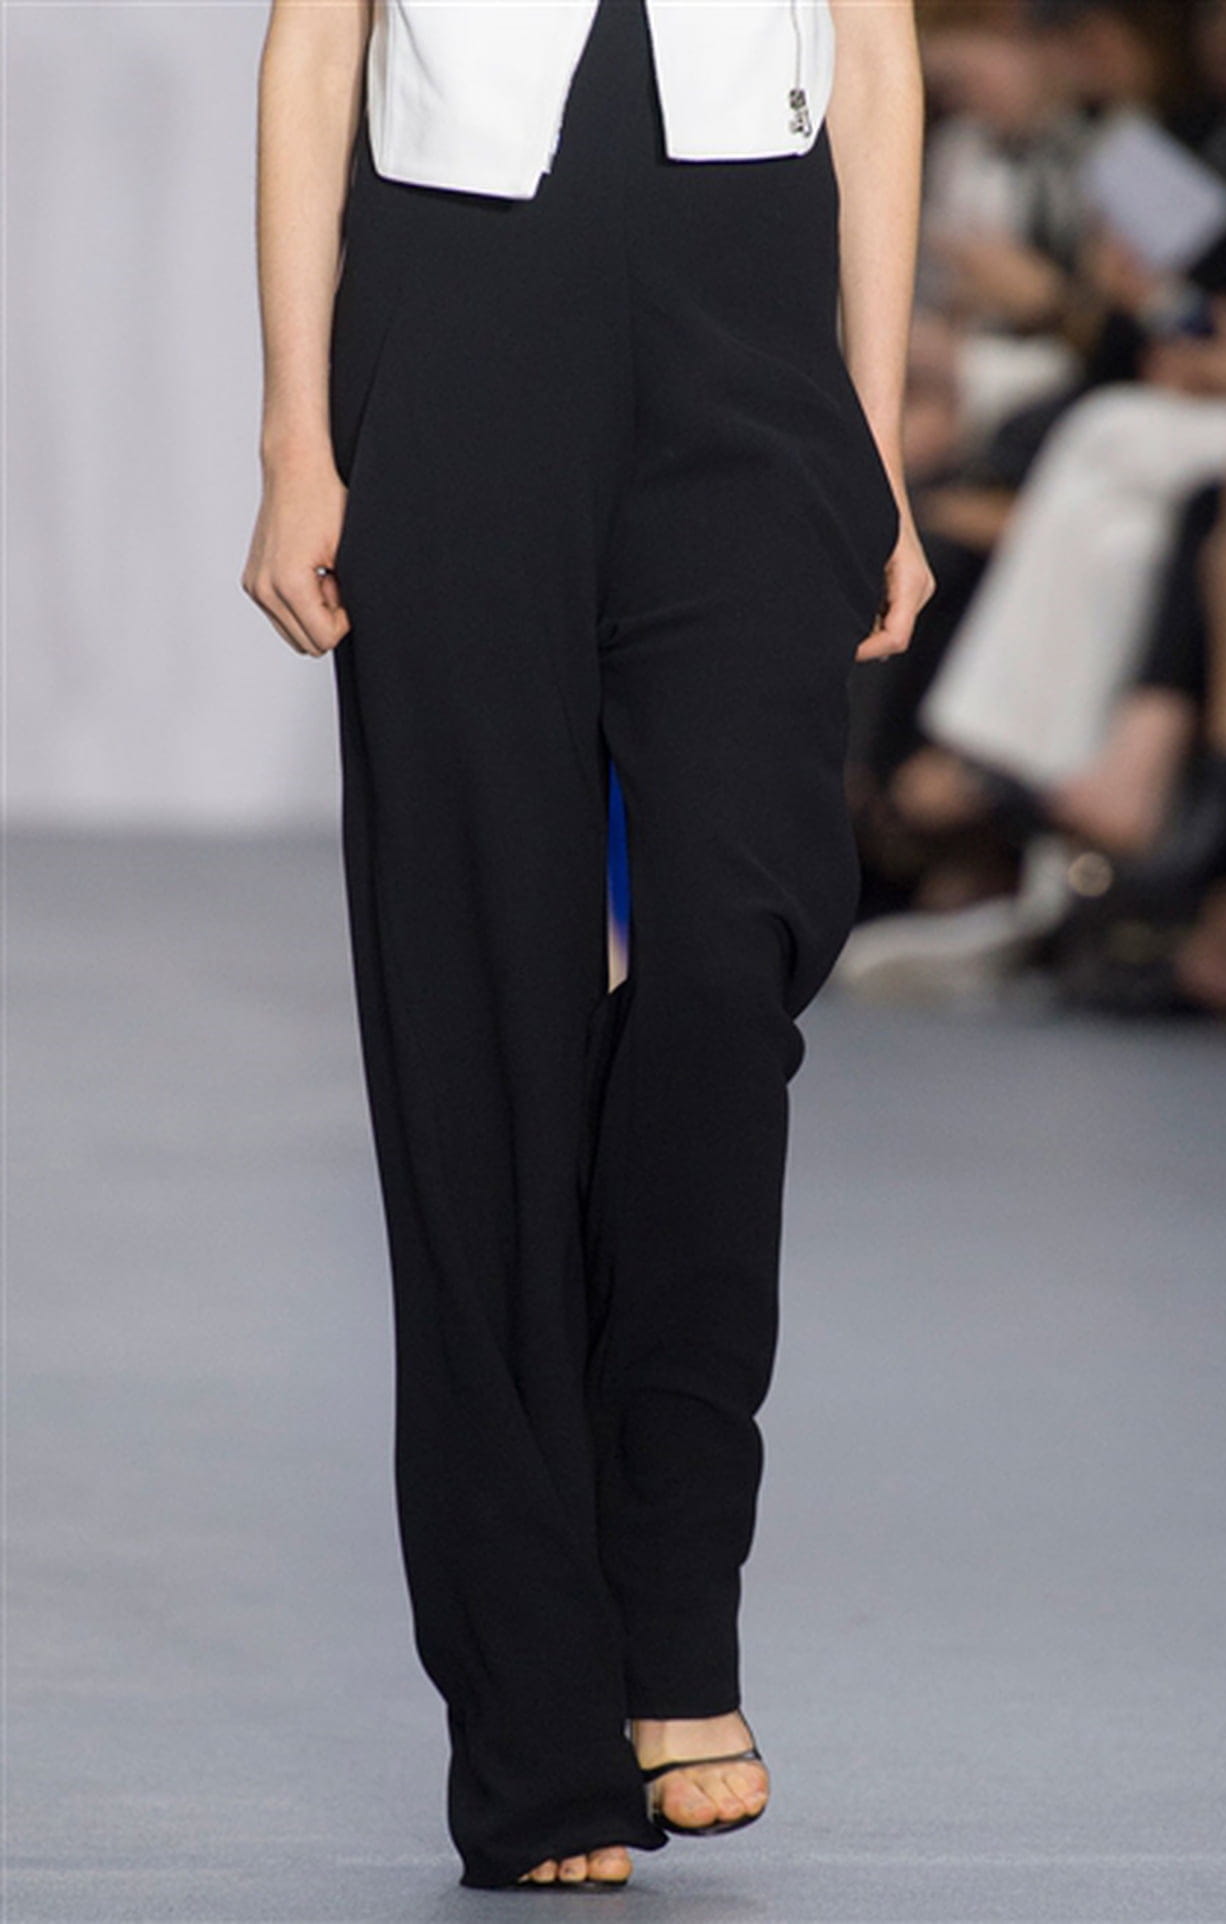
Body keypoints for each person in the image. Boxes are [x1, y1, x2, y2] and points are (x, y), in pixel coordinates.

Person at [241, 0, 932, 1893]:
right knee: (481, 1012)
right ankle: (539, 1727)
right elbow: (316, 51)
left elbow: (875, 54)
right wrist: (299, 433)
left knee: (729, 952)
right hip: (458, 309)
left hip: (755, 321)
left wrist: (874, 436)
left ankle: (674, 1590)